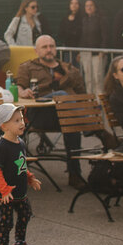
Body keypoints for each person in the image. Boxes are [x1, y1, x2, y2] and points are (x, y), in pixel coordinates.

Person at [16, 35, 90, 189]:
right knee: (62, 95)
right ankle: (89, 126)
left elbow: (82, 95)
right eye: (44, 47)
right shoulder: (27, 67)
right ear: (36, 50)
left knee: (71, 123)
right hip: (40, 114)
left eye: (52, 46)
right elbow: (18, 87)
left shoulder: (70, 69)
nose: (49, 50)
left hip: (66, 115)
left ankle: (75, 175)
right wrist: (22, 92)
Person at [0, 103, 42, 245]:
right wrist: (4, 190)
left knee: (25, 214)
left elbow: (21, 165)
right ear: (4, 126)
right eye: (16, 121)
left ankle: (20, 244)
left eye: (21, 119)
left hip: (20, 192)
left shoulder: (20, 142)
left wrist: (30, 178)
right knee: (6, 222)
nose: (22, 123)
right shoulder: (2, 146)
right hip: (5, 194)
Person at [79, 0, 109, 94]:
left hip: (98, 54)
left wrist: (102, 51)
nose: (89, 7)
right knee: (88, 79)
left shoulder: (101, 19)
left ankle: (100, 100)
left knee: (98, 78)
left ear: (95, 7)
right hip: (86, 54)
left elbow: (105, 35)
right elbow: (82, 37)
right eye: (87, 6)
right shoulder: (84, 20)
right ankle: (90, 100)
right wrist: (80, 52)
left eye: (91, 5)